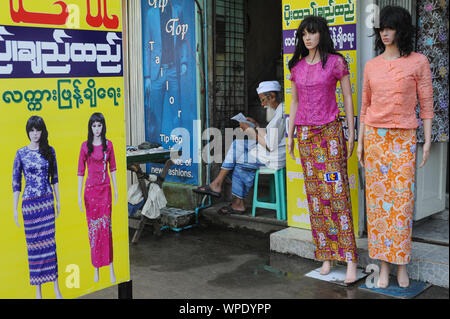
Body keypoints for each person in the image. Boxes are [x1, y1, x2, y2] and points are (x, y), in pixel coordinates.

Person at [357, 5, 434, 289]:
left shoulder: (418, 62)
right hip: (376, 139)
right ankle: (384, 267)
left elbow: (426, 105)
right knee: (377, 207)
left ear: (401, 29)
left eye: (390, 28)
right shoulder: (372, 65)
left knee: (400, 206)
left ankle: (402, 265)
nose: (385, 33)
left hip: (403, 139)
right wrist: (361, 143)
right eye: (381, 28)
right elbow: (365, 107)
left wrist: (425, 142)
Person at [286, 16, 358, 283]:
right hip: (305, 136)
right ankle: (326, 255)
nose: (308, 38)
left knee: (336, 194)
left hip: (329, 134)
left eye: (313, 33)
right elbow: (294, 103)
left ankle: (350, 258)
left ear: (321, 35)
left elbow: (348, 97)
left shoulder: (336, 63)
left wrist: (351, 133)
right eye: (304, 34)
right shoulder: (297, 66)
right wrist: (290, 135)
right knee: (316, 198)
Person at [194, 81, 286, 214]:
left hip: (274, 156)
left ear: (272, 96)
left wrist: (249, 130)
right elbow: (272, 137)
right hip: (272, 150)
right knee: (238, 144)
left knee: (241, 162)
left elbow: (269, 145)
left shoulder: (280, 114)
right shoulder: (280, 110)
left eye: (263, 100)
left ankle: (237, 202)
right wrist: (257, 126)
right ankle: (217, 183)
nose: (262, 104)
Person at [12, 116, 62, 299]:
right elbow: (16, 183)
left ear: (42, 131)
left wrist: (58, 201)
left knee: (50, 245)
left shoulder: (49, 151)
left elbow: (55, 178)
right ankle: (38, 291)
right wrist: (15, 208)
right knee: (33, 248)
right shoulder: (21, 153)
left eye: (38, 130)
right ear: (28, 131)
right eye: (32, 130)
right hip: (30, 206)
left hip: (47, 202)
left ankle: (56, 287)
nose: (35, 134)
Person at [78, 112, 118, 284]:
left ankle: (110, 268)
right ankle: (96, 268)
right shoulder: (85, 147)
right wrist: (79, 195)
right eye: (93, 125)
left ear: (103, 126)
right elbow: (80, 172)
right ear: (90, 127)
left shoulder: (109, 145)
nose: (96, 129)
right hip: (91, 193)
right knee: (94, 230)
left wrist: (116, 191)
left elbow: (113, 169)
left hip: (105, 191)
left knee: (106, 229)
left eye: (99, 125)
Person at [143, 1, 188, 143]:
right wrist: (147, 76)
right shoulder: (151, 13)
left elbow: (182, 39)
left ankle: (179, 144)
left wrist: (184, 61)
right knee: (154, 112)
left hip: (173, 70)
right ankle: (154, 143)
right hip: (156, 73)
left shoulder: (177, 11)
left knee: (177, 110)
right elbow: (147, 45)